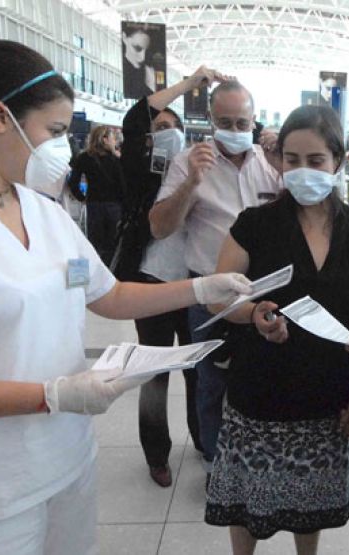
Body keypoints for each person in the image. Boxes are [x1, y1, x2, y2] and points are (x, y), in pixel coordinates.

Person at [0, 19, 250, 555]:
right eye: (55, 132)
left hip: (66, 464)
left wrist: (200, 289)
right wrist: (48, 395)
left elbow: (105, 294)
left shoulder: (43, 211)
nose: (65, 147)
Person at [205, 104, 349, 555]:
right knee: (248, 500)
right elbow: (217, 297)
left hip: (330, 394)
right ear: (279, 161)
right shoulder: (256, 224)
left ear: (338, 162)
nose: (302, 170)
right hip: (260, 389)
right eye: (292, 160)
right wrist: (252, 315)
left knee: (313, 501)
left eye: (316, 161)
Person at [149, 80, 282, 479]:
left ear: (255, 121)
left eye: (242, 122)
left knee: (265, 374)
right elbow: (159, 227)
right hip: (209, 289)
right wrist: (192, 182)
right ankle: (213, 459)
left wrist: (286, 167)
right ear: (210, 121)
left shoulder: (268, 162)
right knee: (210, 379)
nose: (235, 130)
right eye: (225, 121)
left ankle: (259, 453)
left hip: (265, 287)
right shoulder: (189, 162)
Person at [116, 66, 229, 488]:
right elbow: (134, 119)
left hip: (197, 281)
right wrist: (188, 85)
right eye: (159, 126)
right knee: (155, 370)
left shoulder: (202, 162)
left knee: (199, 370)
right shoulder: (142, 169)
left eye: (172, 127)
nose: (166, 131)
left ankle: (204, 442)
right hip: (151, 282)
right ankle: (156, 453)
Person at [66, 124, 125, 267]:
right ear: (104, 139)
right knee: (112, 243)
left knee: (95, 243)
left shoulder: (84, 158)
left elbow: (73, 182)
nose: (114, 141)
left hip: (93, 204)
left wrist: (81, 197)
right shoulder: (116, 160)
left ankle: (94, 271)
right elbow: (124, 185)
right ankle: (109, 273)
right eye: (112, 138)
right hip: (114, 206)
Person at [122, 25, 158, 99]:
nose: (142, 57)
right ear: (124, 37)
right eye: (137, 48)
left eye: (146, 51)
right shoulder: (123, 74)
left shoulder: (148, 72)